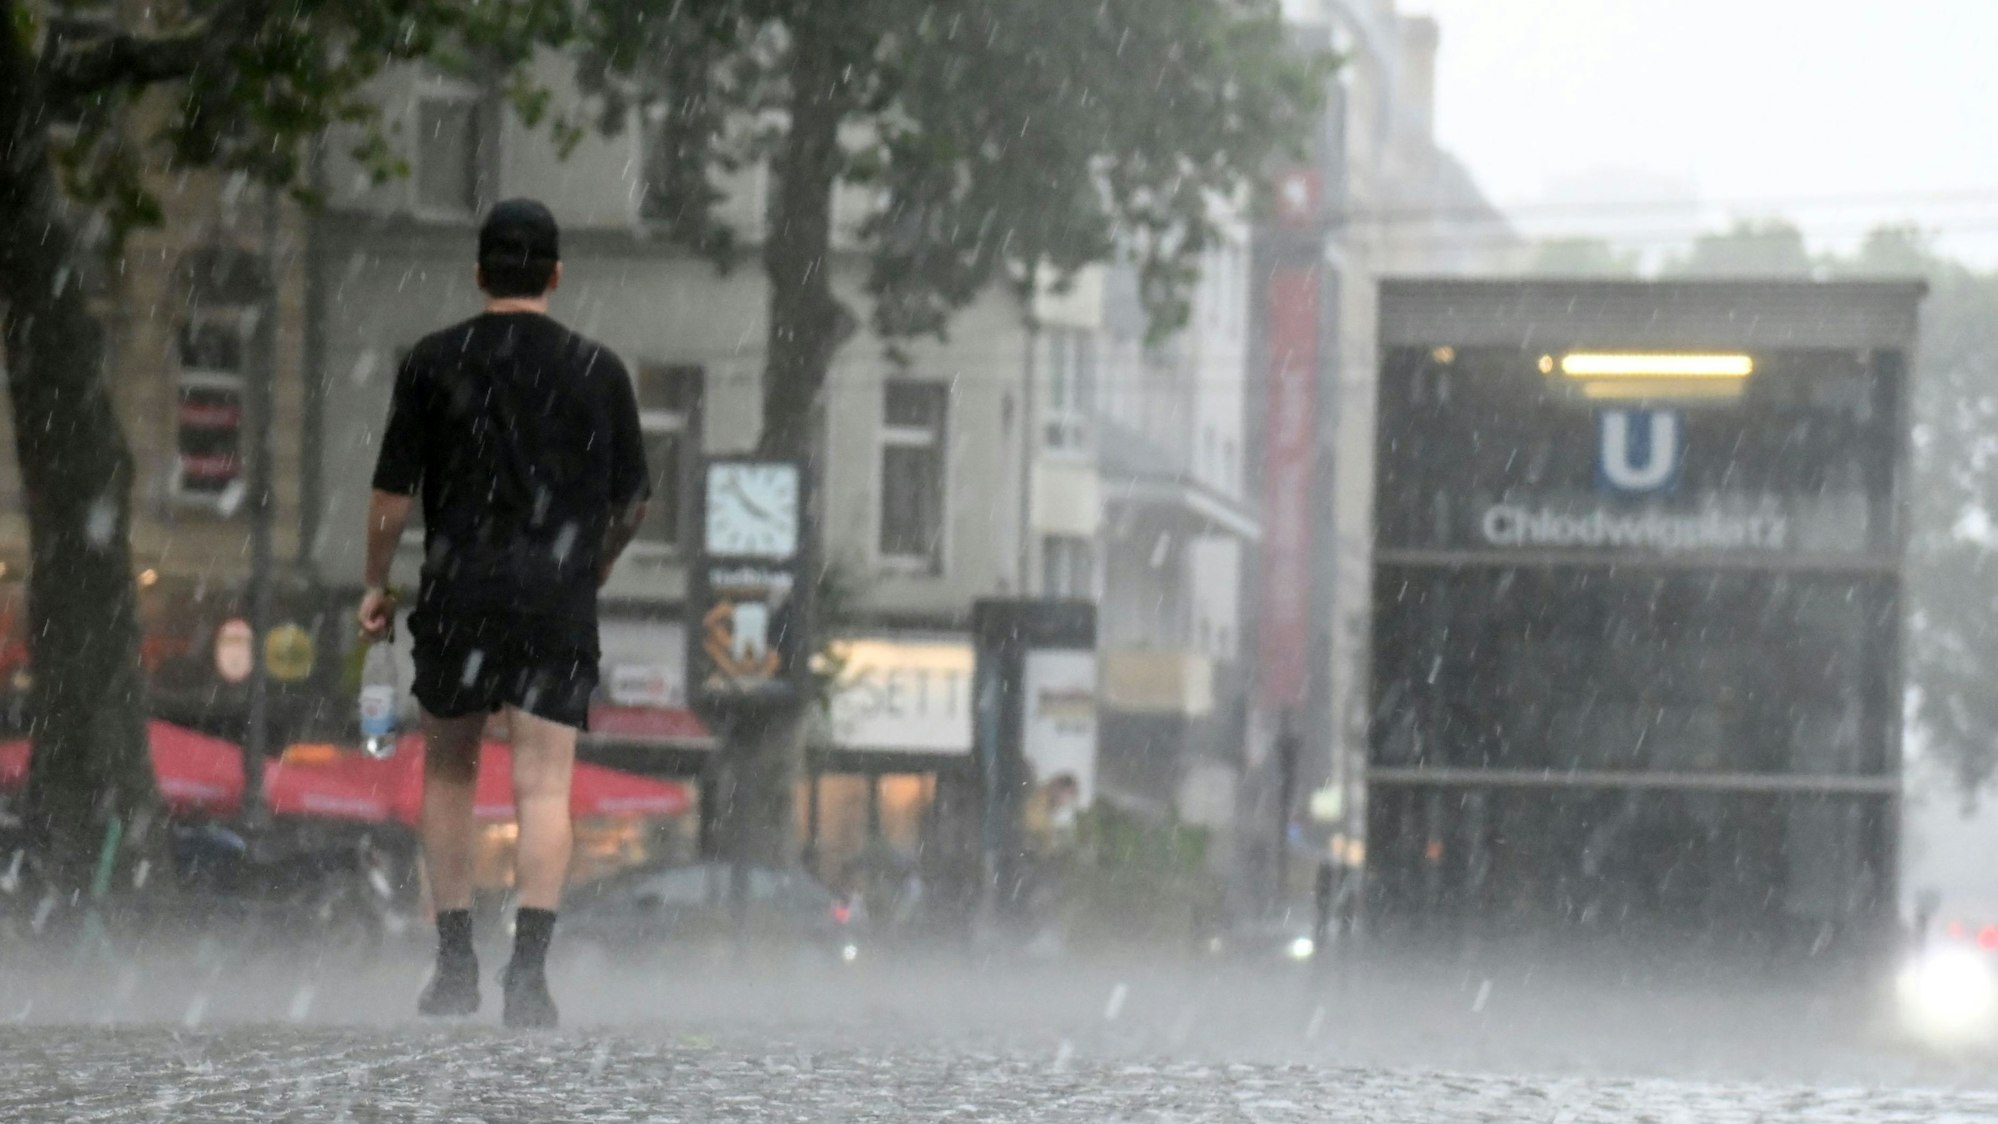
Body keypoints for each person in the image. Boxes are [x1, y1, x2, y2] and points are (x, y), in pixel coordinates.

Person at [357, 199, 648, 1029]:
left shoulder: (431, 360)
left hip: (460, 588)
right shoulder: (600, 370)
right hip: (556, 597)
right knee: (544, 786)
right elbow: (633, 501)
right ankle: (528, 974)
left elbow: (391, 493)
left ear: (479, 272)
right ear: (556, 275)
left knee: (449, 775)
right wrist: (592, 565)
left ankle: (454, 966)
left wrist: (375, 582)